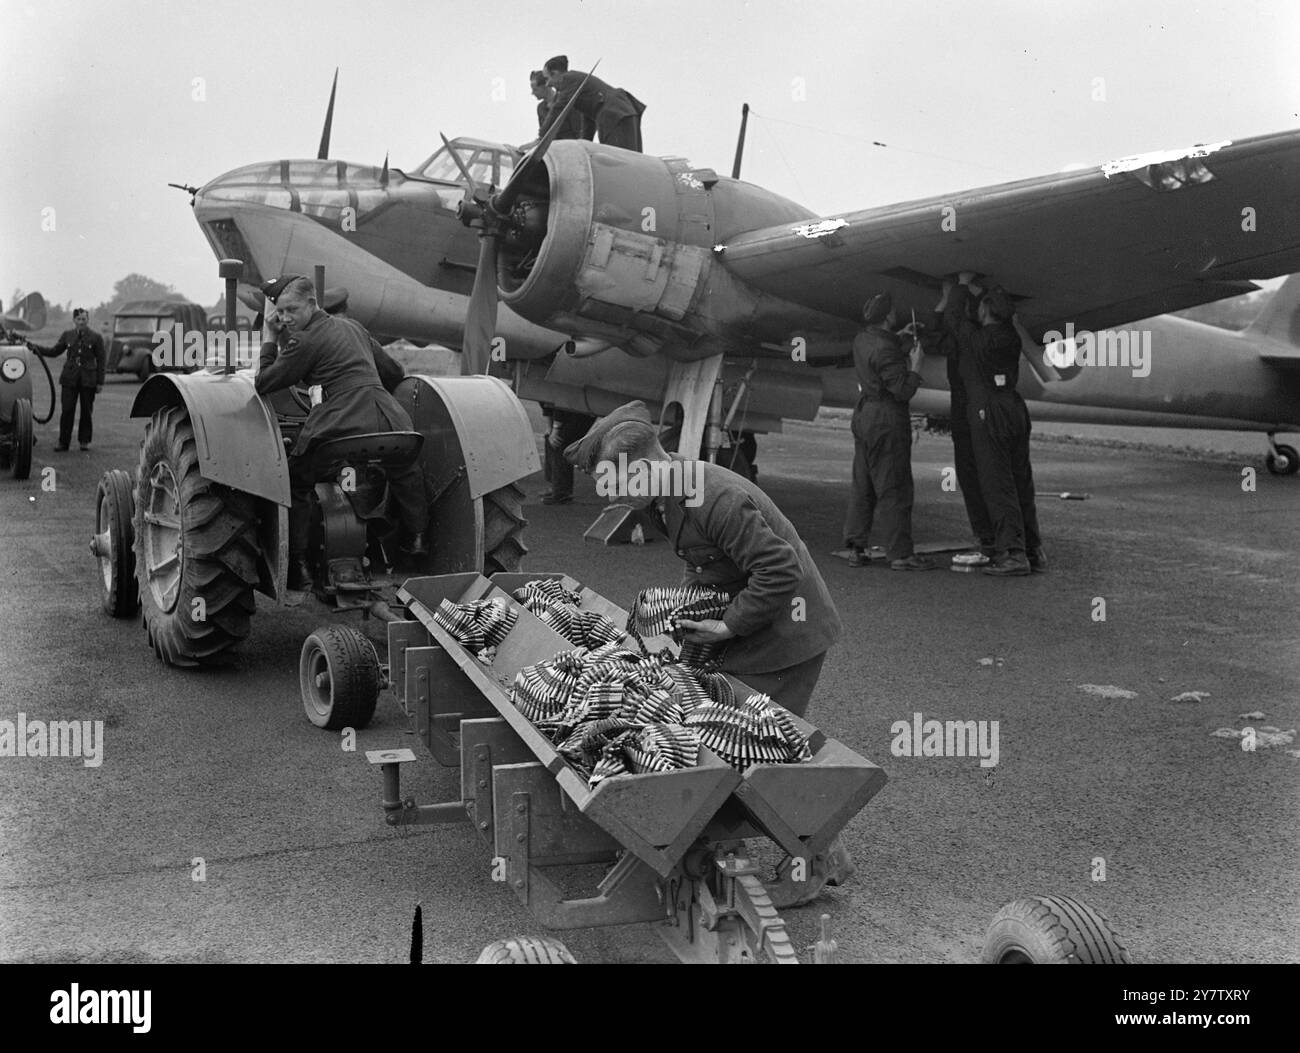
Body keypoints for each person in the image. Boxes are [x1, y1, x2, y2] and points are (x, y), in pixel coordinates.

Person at [565, 401, 842, 716]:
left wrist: (727, 626)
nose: (612, 497)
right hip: (756, 616)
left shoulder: (717, 499)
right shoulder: (664, 493)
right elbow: (702, 559)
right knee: (716, 717)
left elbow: (780, 569)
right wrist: (684, 608)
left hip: (787, 631)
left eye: (615, 485)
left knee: (761, 739)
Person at [254, 276, 428, 591]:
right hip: (392, 421)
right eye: (279, 313)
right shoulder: (354, 328)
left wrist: (269, 336)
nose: (285, 319)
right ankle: (416, 540)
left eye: (291, 310)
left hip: (343, 427)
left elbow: (264, 382)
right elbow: (394, 373)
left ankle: (298, 566)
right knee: (403, 468)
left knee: (296, 480)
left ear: (311, 303)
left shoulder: (303, 342)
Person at [933, 276, 1045, 576]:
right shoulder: (1009, 335)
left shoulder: (978, 340)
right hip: (1013, 409)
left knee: (998, 484)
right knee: (1020, 481)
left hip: (989, 413)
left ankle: (1012, 554)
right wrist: (980, 293)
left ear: (985, 312)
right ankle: (1032, 549)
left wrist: (957, 287)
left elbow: (955, 319)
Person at [841, 293, 936, 570]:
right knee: (895, 486)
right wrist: (916, 365)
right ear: (888, 315)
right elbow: (903, 390)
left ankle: (856, 547)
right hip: (887, 417)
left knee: (864, 483)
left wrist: (898, 336)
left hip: (864, 414)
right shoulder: (885, 349)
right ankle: (901, 554)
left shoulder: (862, 338)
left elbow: (880, 349)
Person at [920, 287, 997, 563]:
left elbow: (937, 333)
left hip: (973, 419)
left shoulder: (969, 340)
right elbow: (940, 332)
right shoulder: (978, 337)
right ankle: (1003, 543)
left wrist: (955, 291)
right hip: (979, 417)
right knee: (985, 479)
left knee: (978, 478)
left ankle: (993, 541)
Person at [29, 307, 104, 451]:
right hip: (69, 379)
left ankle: (84, 441)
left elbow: (101, 360)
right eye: (78, 319)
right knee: (67, 410)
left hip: (88, 380)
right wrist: (35, 348)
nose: (81, 322)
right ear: (74, 320)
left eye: (84, 319)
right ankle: (63, 442)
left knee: (86, 411)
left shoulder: (96, 337)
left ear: (88, 320)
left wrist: (100, 382)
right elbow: (54, 351)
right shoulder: (67, 335)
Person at [542, 55, 645, 152]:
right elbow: (589, 120)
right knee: (632, 157)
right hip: (624, 112)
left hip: (614, 114)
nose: (548, 84)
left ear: (555, 73)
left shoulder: (568, 79)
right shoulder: (578, 84)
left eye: (547, 79)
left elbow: (558, 109)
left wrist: (542, 137)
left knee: (618, 160)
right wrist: (584, 145)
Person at [320, 286, 405, 394]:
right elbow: (393, 372)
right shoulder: (356, 332)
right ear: (346, 308)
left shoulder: (311, 336)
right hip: (358, 403)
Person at [539, 403, 595, 504]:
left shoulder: (549, 388)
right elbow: (546, 405)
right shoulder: (538, 389)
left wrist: (556, 430)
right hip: (567, 409)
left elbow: (560, 405)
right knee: (550, 439)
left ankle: (561, 492)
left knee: (560, 442)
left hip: (578, 410)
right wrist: (549, 428)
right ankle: (554, 485)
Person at [529, 70, 589, 141]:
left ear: (545, 86)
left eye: (535, 89)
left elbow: (579, 131)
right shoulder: (540, 108)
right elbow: (543, 135)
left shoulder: (566, 101)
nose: (532, 93)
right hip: (550, 147)